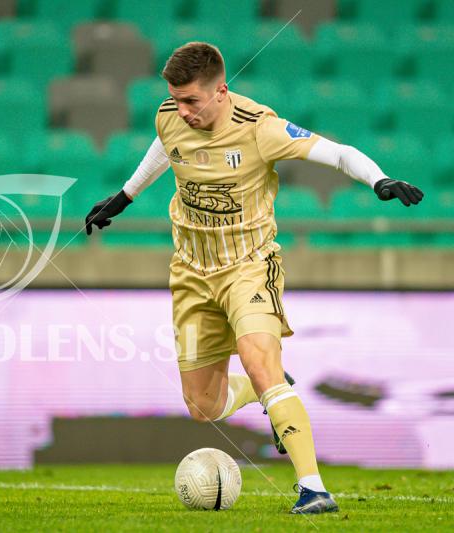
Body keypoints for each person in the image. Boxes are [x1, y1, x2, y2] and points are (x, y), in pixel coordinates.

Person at [84, 42, 423, 514]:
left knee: (260, 360)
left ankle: (313, 489)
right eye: (176, 100)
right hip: (191, 272)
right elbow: (165, 146)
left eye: (191, 101)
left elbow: (337, 153)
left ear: (221, 91)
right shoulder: (170, 115)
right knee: (203, 407)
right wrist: (124, 196)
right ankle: (259, 390)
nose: (182, 111)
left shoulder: (260, 128)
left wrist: (379, 180)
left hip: (248, 266)